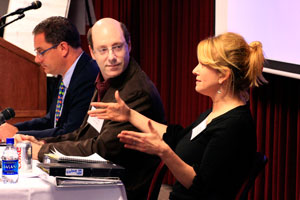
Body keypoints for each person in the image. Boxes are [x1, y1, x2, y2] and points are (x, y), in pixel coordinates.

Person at [88, 32, 267, 199]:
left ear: (223, 75)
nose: (194, 70)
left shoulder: (235, 127)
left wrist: (163, 151)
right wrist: (129, 115)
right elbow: (180, 138)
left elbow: (202, 187)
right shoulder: (218, 113)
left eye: (203, 65)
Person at [15, 18, 165, 200]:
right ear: (92, 53)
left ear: (129, 46)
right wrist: (44, 142)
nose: (111, 57)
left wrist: (42, 151)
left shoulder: (136, 91)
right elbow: (84, 133)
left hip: (123, 189)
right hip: (102, 179)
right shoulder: (105, 81)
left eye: (117, 47)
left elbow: (102, 149)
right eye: (103, 49)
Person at [0, 16, 99, 139]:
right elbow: (50, 121)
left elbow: (71, 132)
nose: (37, 59)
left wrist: (17, 134)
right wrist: (14, 129)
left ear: (63, 48)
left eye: (40, 51)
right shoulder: (66, 74)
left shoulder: (88, 76)